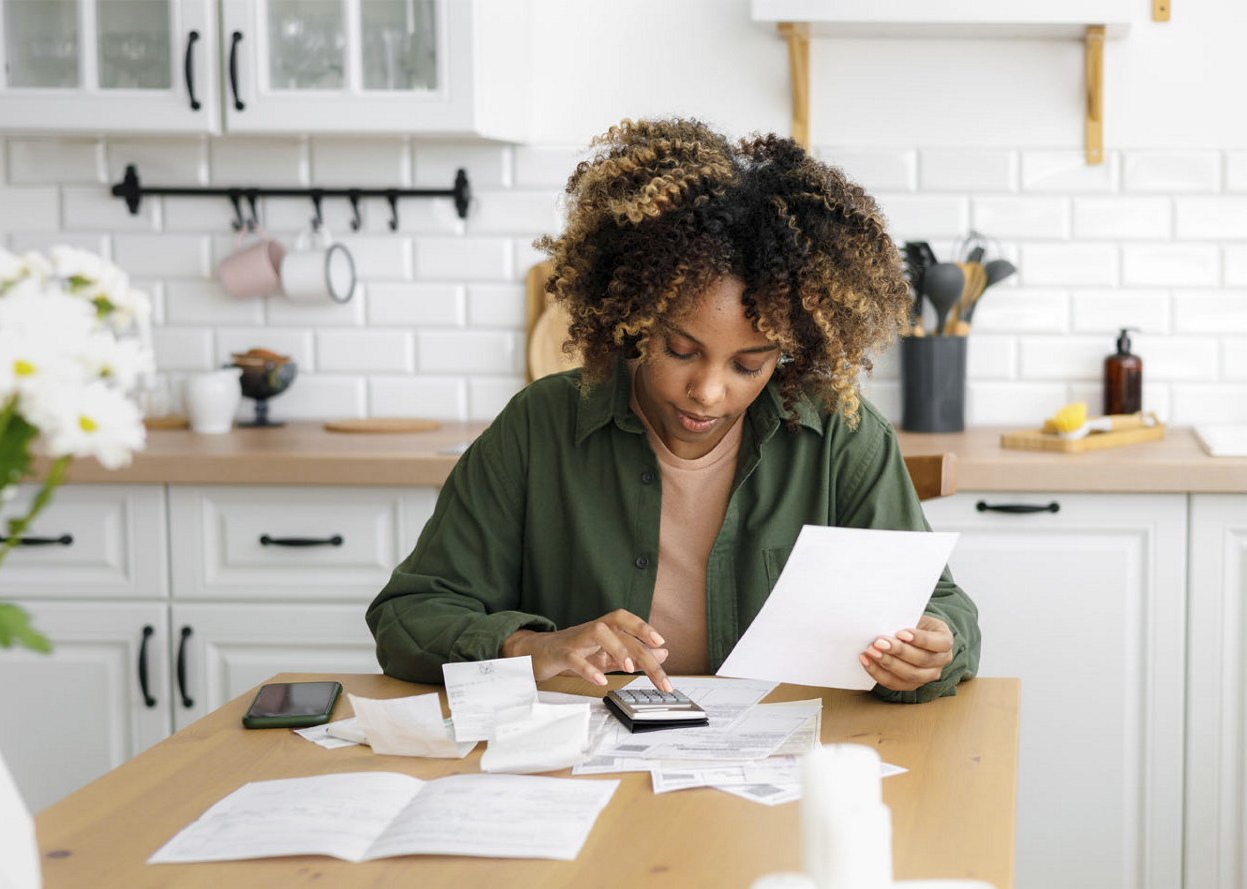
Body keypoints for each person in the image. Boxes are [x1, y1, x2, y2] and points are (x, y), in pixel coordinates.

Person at [367, 117, 980, 703]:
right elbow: (409, 617)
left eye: (749, 365)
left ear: (791, 350)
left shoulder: (841, 437)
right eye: (681, 350)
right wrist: (536, 647)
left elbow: (946, 610)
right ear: (635, 320)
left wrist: (934, 648)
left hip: (779, 762)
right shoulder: (541, 425)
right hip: (584, 762)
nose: (709, 392)